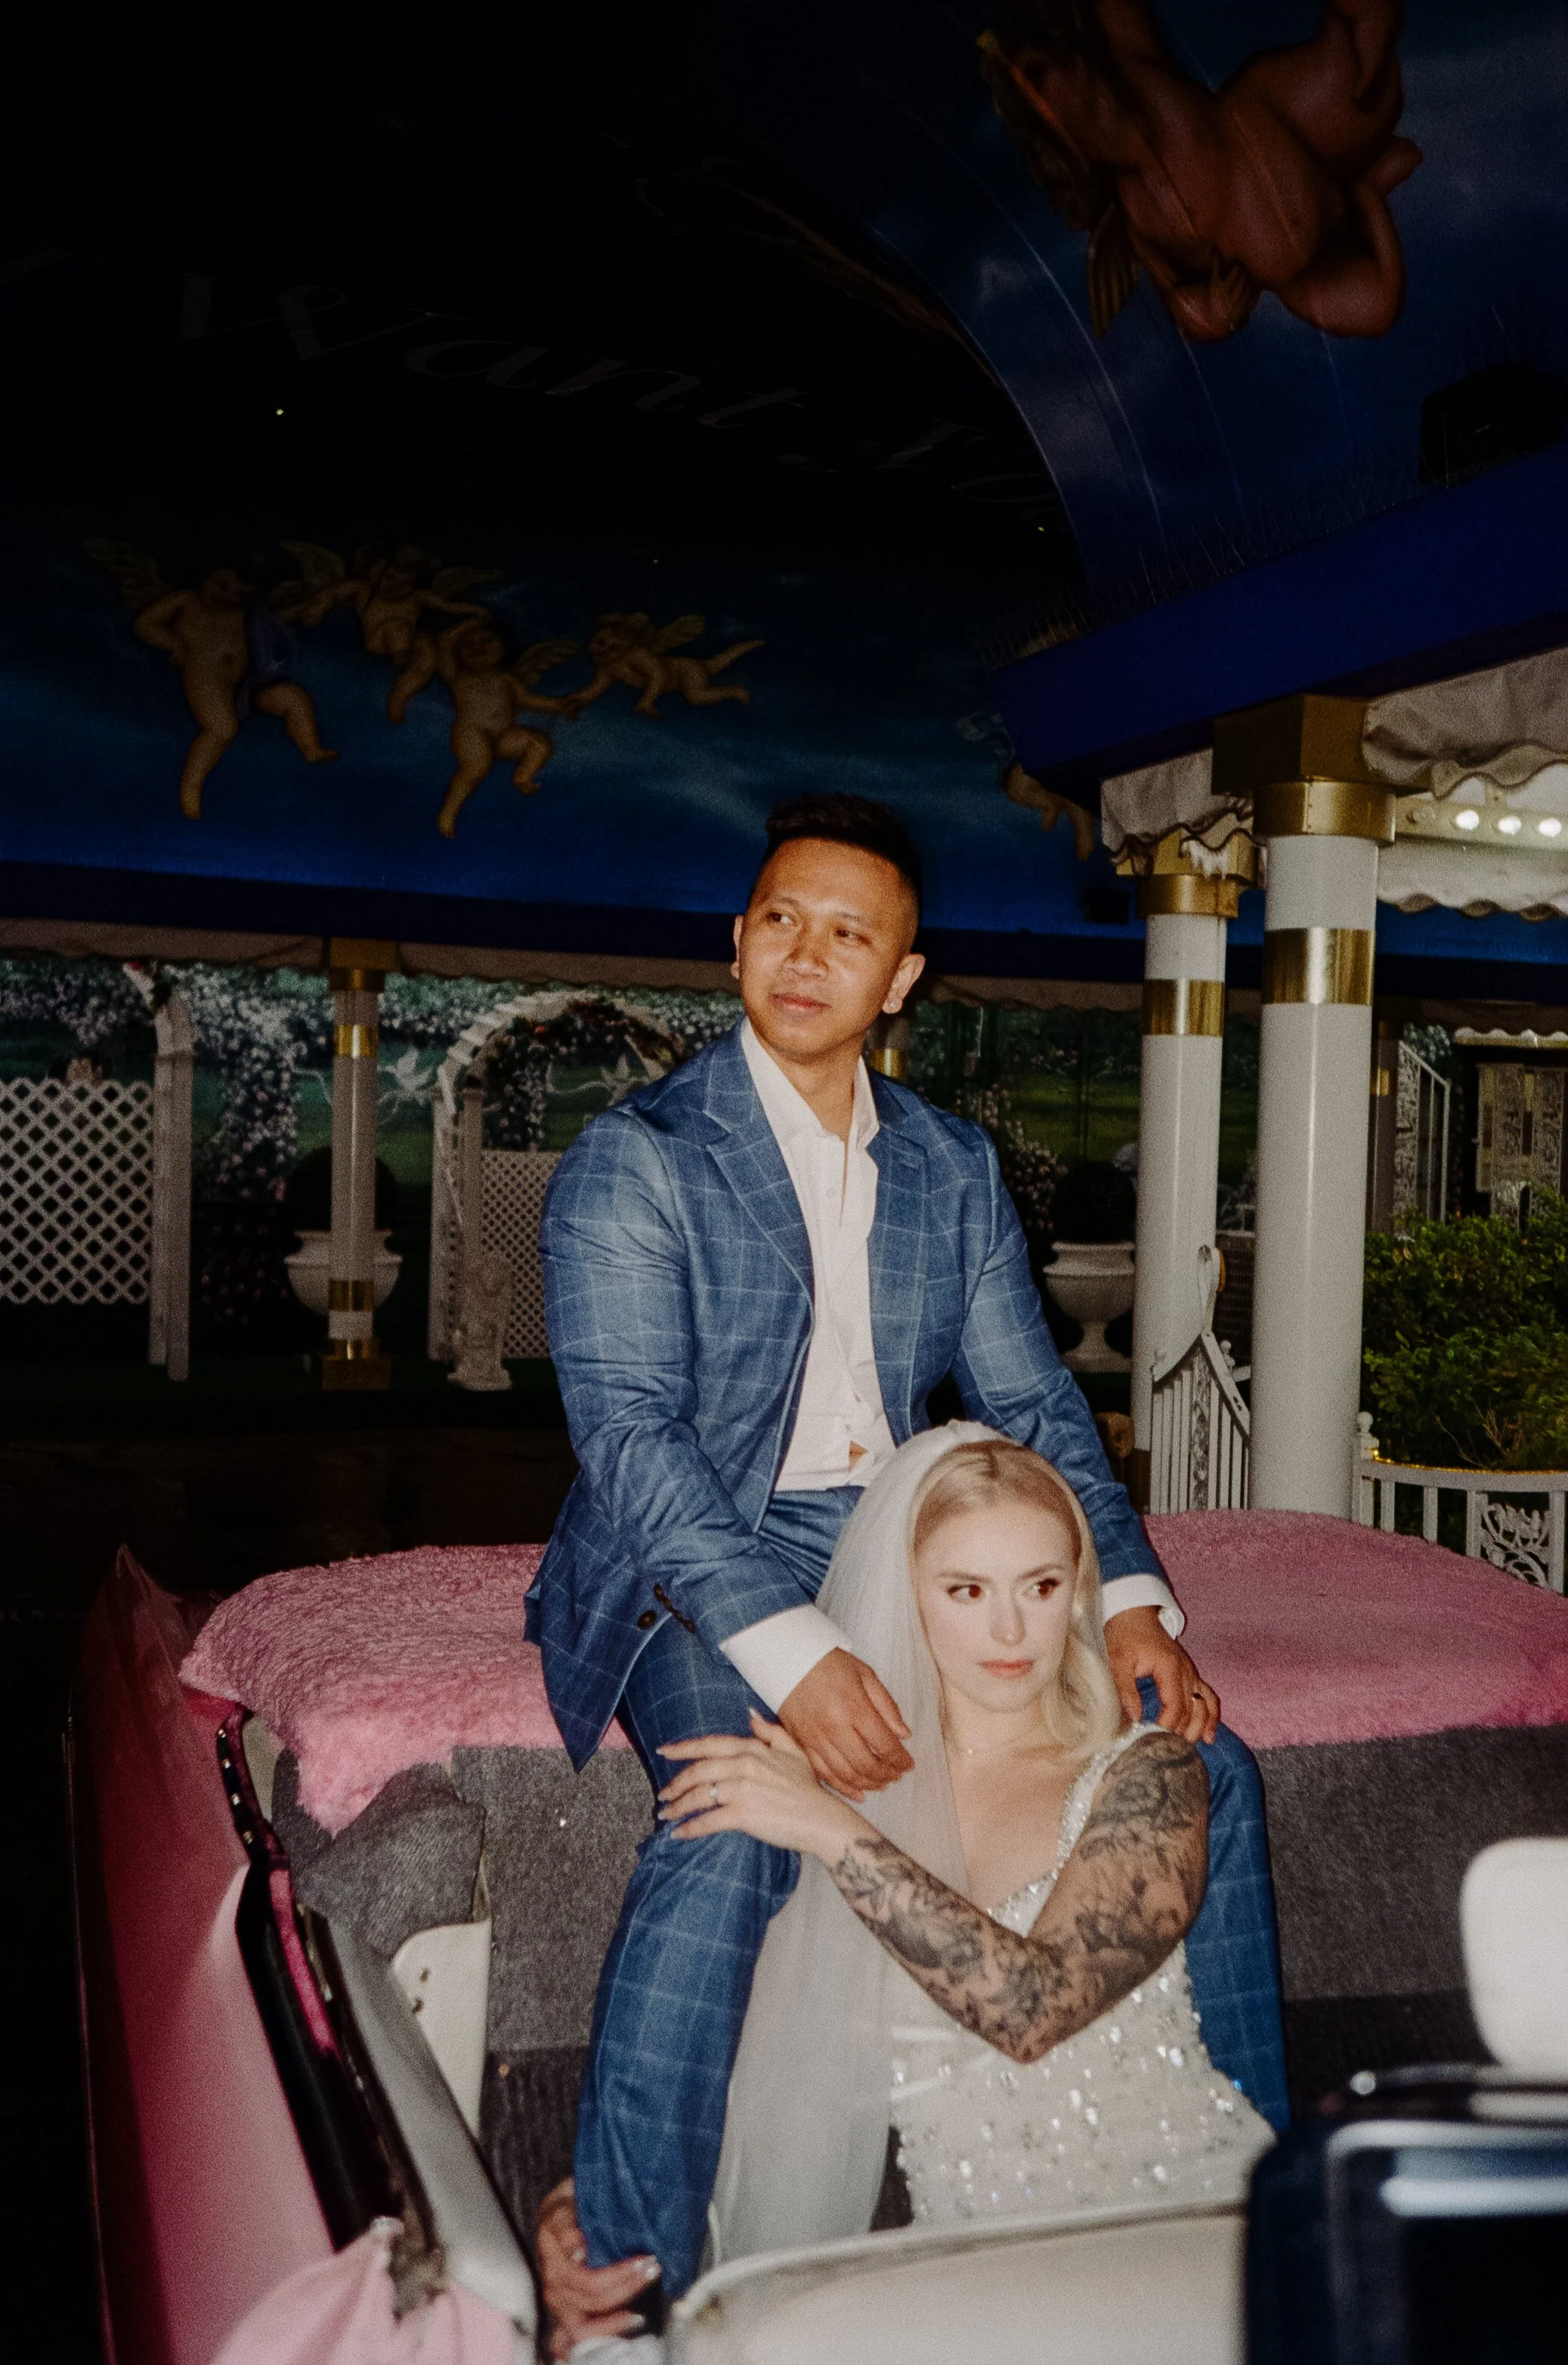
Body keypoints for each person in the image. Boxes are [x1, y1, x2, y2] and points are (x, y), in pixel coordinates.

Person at [527, 793, 1286, 2331]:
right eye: (779, 921)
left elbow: (1024, 1403)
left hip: (913, 1519)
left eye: (846, 934)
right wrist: (796, 1656)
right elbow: (633, 1440)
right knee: (727, 1817)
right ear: (735, 943)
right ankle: (622, 2276)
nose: (804, 954)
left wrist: (1132, 1598)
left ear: (900, 980)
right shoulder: (639, 1156)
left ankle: (1281, 2213)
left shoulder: (946, 1166)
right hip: (701, 1552)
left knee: (1209, 1762)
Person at [537, 1431, 1273, 2353]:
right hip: (979, 2276)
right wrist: (587, 2197)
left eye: (1039, 1587)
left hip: (1194, 2238)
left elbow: (1032, 2007)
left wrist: (831, 1828)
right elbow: (745, 2039)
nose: (1010, 1632)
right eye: (965, 1591)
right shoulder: (831, 1793)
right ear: (903, 1596)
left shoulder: (1148, 1771)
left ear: (1079, 1592)